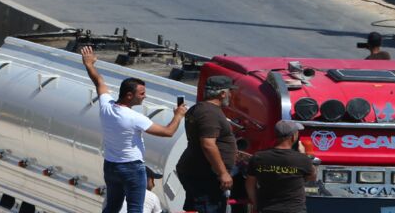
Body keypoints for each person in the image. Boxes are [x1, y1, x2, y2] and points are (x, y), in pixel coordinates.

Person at [80, 45, 186, 213]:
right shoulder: (134, 118)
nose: (145, 96)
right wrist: (179, 115)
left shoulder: (106, 107)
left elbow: (99, 81)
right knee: (135, 209)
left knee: (112, 207)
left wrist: (89, 64)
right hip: (131, 168)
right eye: (142, 93)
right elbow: (168, 132)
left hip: (111, 166)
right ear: (129, 95)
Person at [176, 76, 238, 213]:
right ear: (222, 93)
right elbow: (208, 144)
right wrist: (223, 173)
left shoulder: (197, 108)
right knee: (209, 207)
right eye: (230, 91)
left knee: (194, 207)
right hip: (205, 175)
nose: (231, 95)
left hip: (195, 170)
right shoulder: (209, 113)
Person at [246, 121, 316, 213]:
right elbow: (312, 177)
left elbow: (250, 184)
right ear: (293, 137)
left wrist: (256, 203)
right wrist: (305, 155)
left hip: (266, 209)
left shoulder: (258, 157)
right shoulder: (302, 159)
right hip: (294, 210)